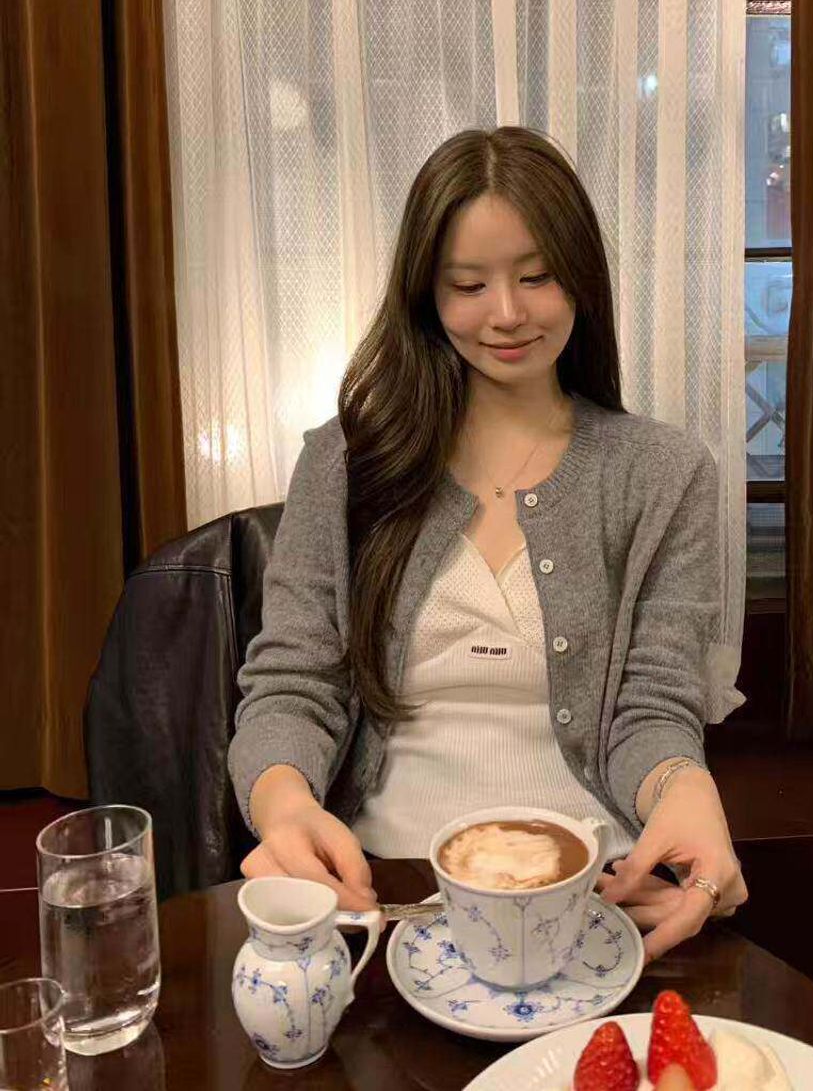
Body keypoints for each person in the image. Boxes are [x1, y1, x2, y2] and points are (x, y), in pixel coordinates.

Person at [227, 126, 747, 960]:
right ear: (426, 294)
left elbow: (652, 707)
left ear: (580, 275)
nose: (506, 313)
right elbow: (293, 683)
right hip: (382, 887)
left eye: (537, 276)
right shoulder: (346, 461)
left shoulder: (664, 474)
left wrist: (684, 788)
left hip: (593, 889)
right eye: (468, 284)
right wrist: (284, 804)